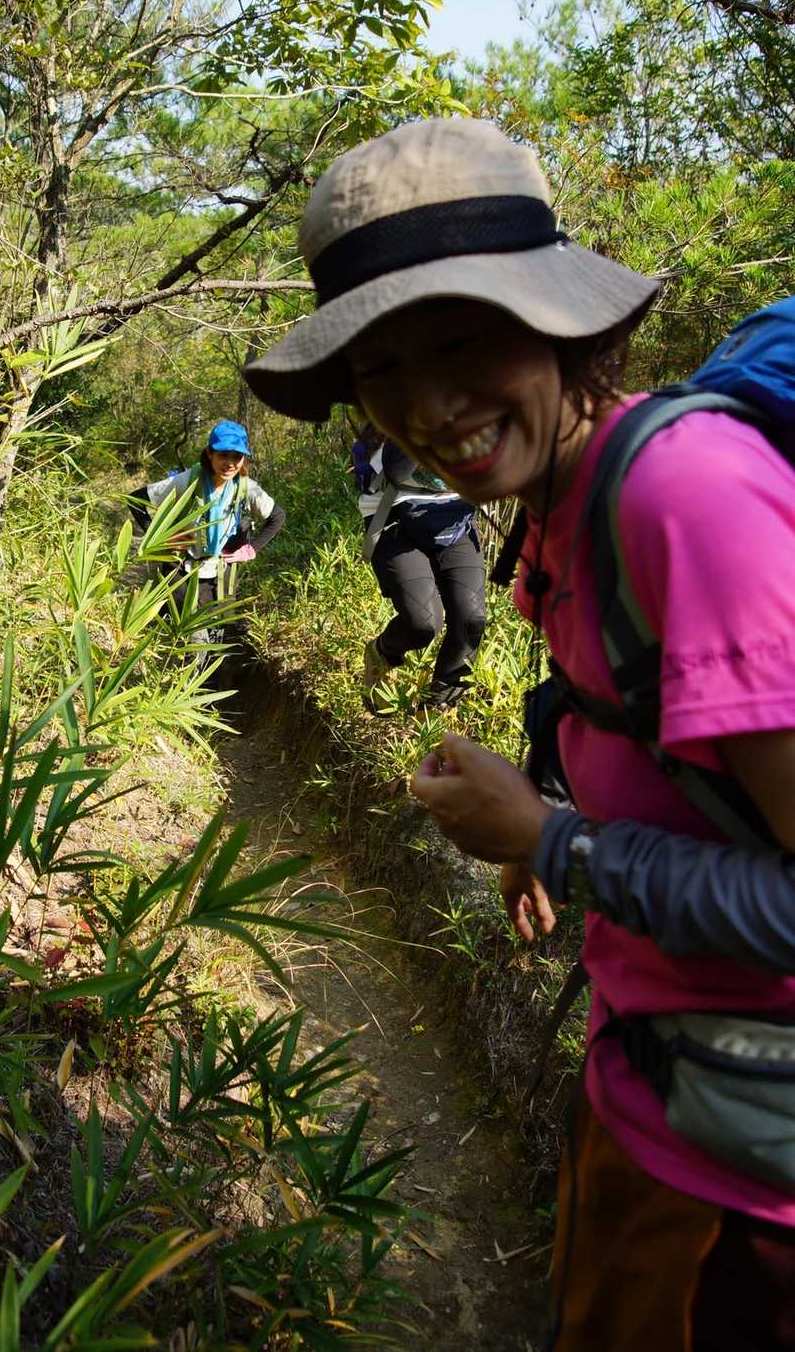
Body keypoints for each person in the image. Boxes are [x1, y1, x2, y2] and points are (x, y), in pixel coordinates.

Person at [243, 117, 795, 1350]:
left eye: (462, 339)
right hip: (671, 1092)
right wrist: (547, 825)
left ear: (558, 321)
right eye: (383, 369)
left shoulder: (687, 500)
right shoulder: (559, 496)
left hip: (751, 1198)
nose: (429, 405)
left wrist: (555, 841)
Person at [128, 419, 283, 649]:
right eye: (223, 455)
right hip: (183, 570)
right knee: (193, 640)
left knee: (217, 636)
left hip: (220, 573)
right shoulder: (188, 481)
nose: (230, 463)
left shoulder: (245, 488)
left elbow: (277, 516)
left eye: (237, 457)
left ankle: (210, 671)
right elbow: (136, 500)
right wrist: (160, 537)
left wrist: (252, 548)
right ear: (210, 454)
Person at [358, 435, 486, 708]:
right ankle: (382, 652)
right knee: (422, 624)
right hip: (394, 518)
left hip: (456, 520)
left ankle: (433, 715)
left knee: (471, 620)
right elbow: (397, 469)